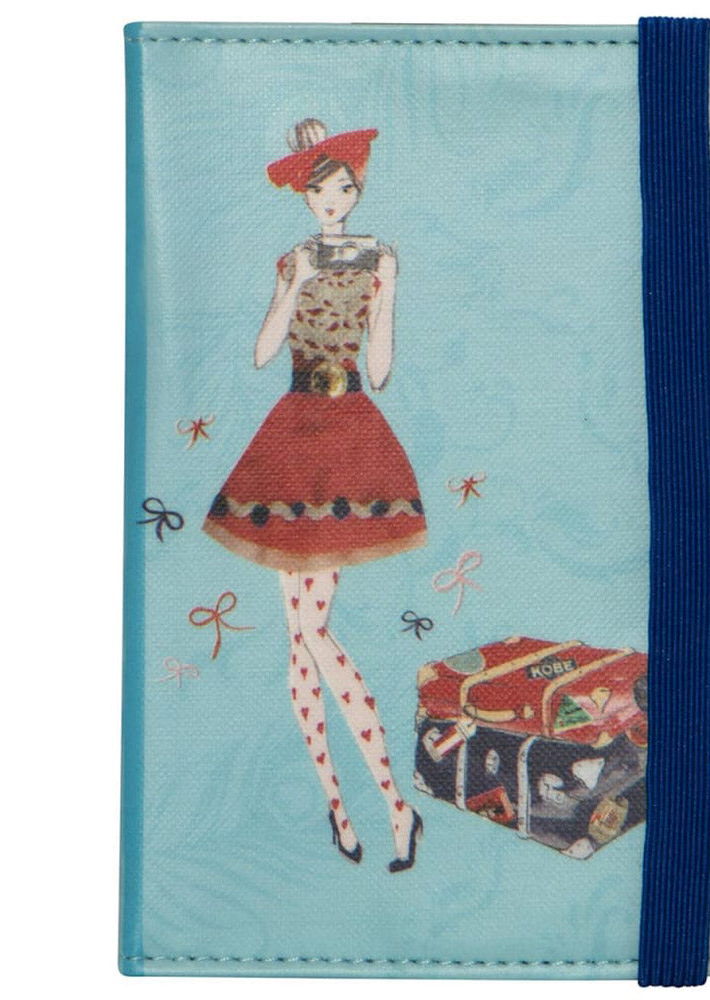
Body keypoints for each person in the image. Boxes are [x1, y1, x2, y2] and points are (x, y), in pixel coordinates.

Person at [203, 119, 425, 871]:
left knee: (311, 628)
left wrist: (388, 294)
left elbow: (381, 367)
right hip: (290, 433)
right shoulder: (295, 258)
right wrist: (292, 284)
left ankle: (392, 805)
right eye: (321, 189)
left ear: (357, 190)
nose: (333, 200)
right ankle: (345, 808)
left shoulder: (380, 258)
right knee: (298, 639)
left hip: (345, 437)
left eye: (344, 187)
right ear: (304, 196)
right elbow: (263, 351)